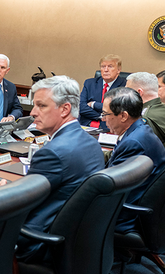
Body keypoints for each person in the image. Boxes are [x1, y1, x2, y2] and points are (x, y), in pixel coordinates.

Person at [16, 76, 105, 262]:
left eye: (41, 105)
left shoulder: (53, 153)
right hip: (78, 237)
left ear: (65, 109)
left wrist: (3, 191)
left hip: (39, 240)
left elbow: (22, 203)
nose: (32, 112)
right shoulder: (91, 142)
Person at [102, 87, 165, 234]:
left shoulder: (133, 143)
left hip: (127, 216)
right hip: (140, 205)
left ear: (124, 116)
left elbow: (111, 189)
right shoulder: (140, 131)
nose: (103, 119)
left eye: (106, 114)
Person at [125, 72, 165, 154]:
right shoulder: (161, 109)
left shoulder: (145, 117)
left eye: (127, 91)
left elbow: (131, 152)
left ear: (139, 93)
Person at [78, 54, 127, 129]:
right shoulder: (89, 83)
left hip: (110, 128)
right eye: (103, 66)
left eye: (110, 66)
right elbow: (81, 107)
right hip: (85, 125)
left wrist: (94, 104)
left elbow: (117, 109)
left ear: (118, 70)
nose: (106, 70)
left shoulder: (125, 86)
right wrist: (101, 116)